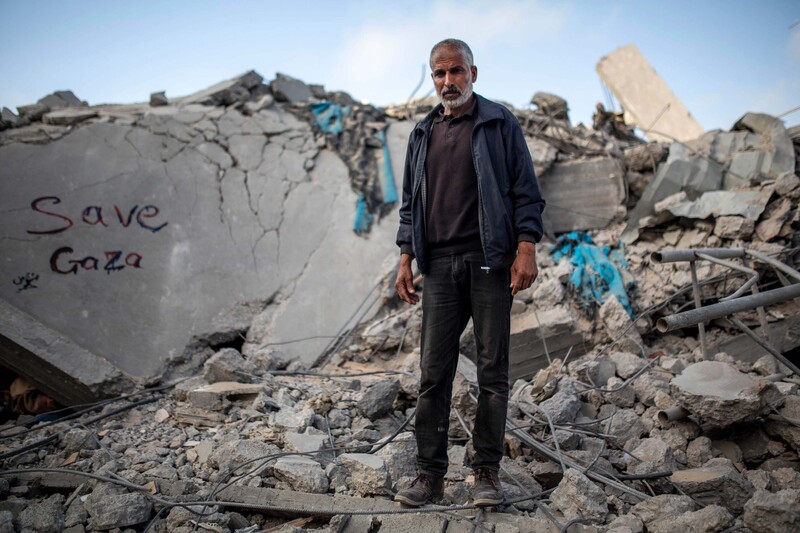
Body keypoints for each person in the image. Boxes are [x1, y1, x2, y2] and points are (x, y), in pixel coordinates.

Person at [394, 38, 545, 507]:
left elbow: (526, 191)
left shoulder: (499, 123)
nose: (447, 81)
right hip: (437, 267)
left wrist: (526, 248)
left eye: (456, 71)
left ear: (473, 74)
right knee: (433, 374)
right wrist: (405, 257)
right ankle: (428, 476)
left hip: (489, 261)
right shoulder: (422, 133)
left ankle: (485, 472)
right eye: (439, 74)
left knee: (492, 372)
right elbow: (409, 204)